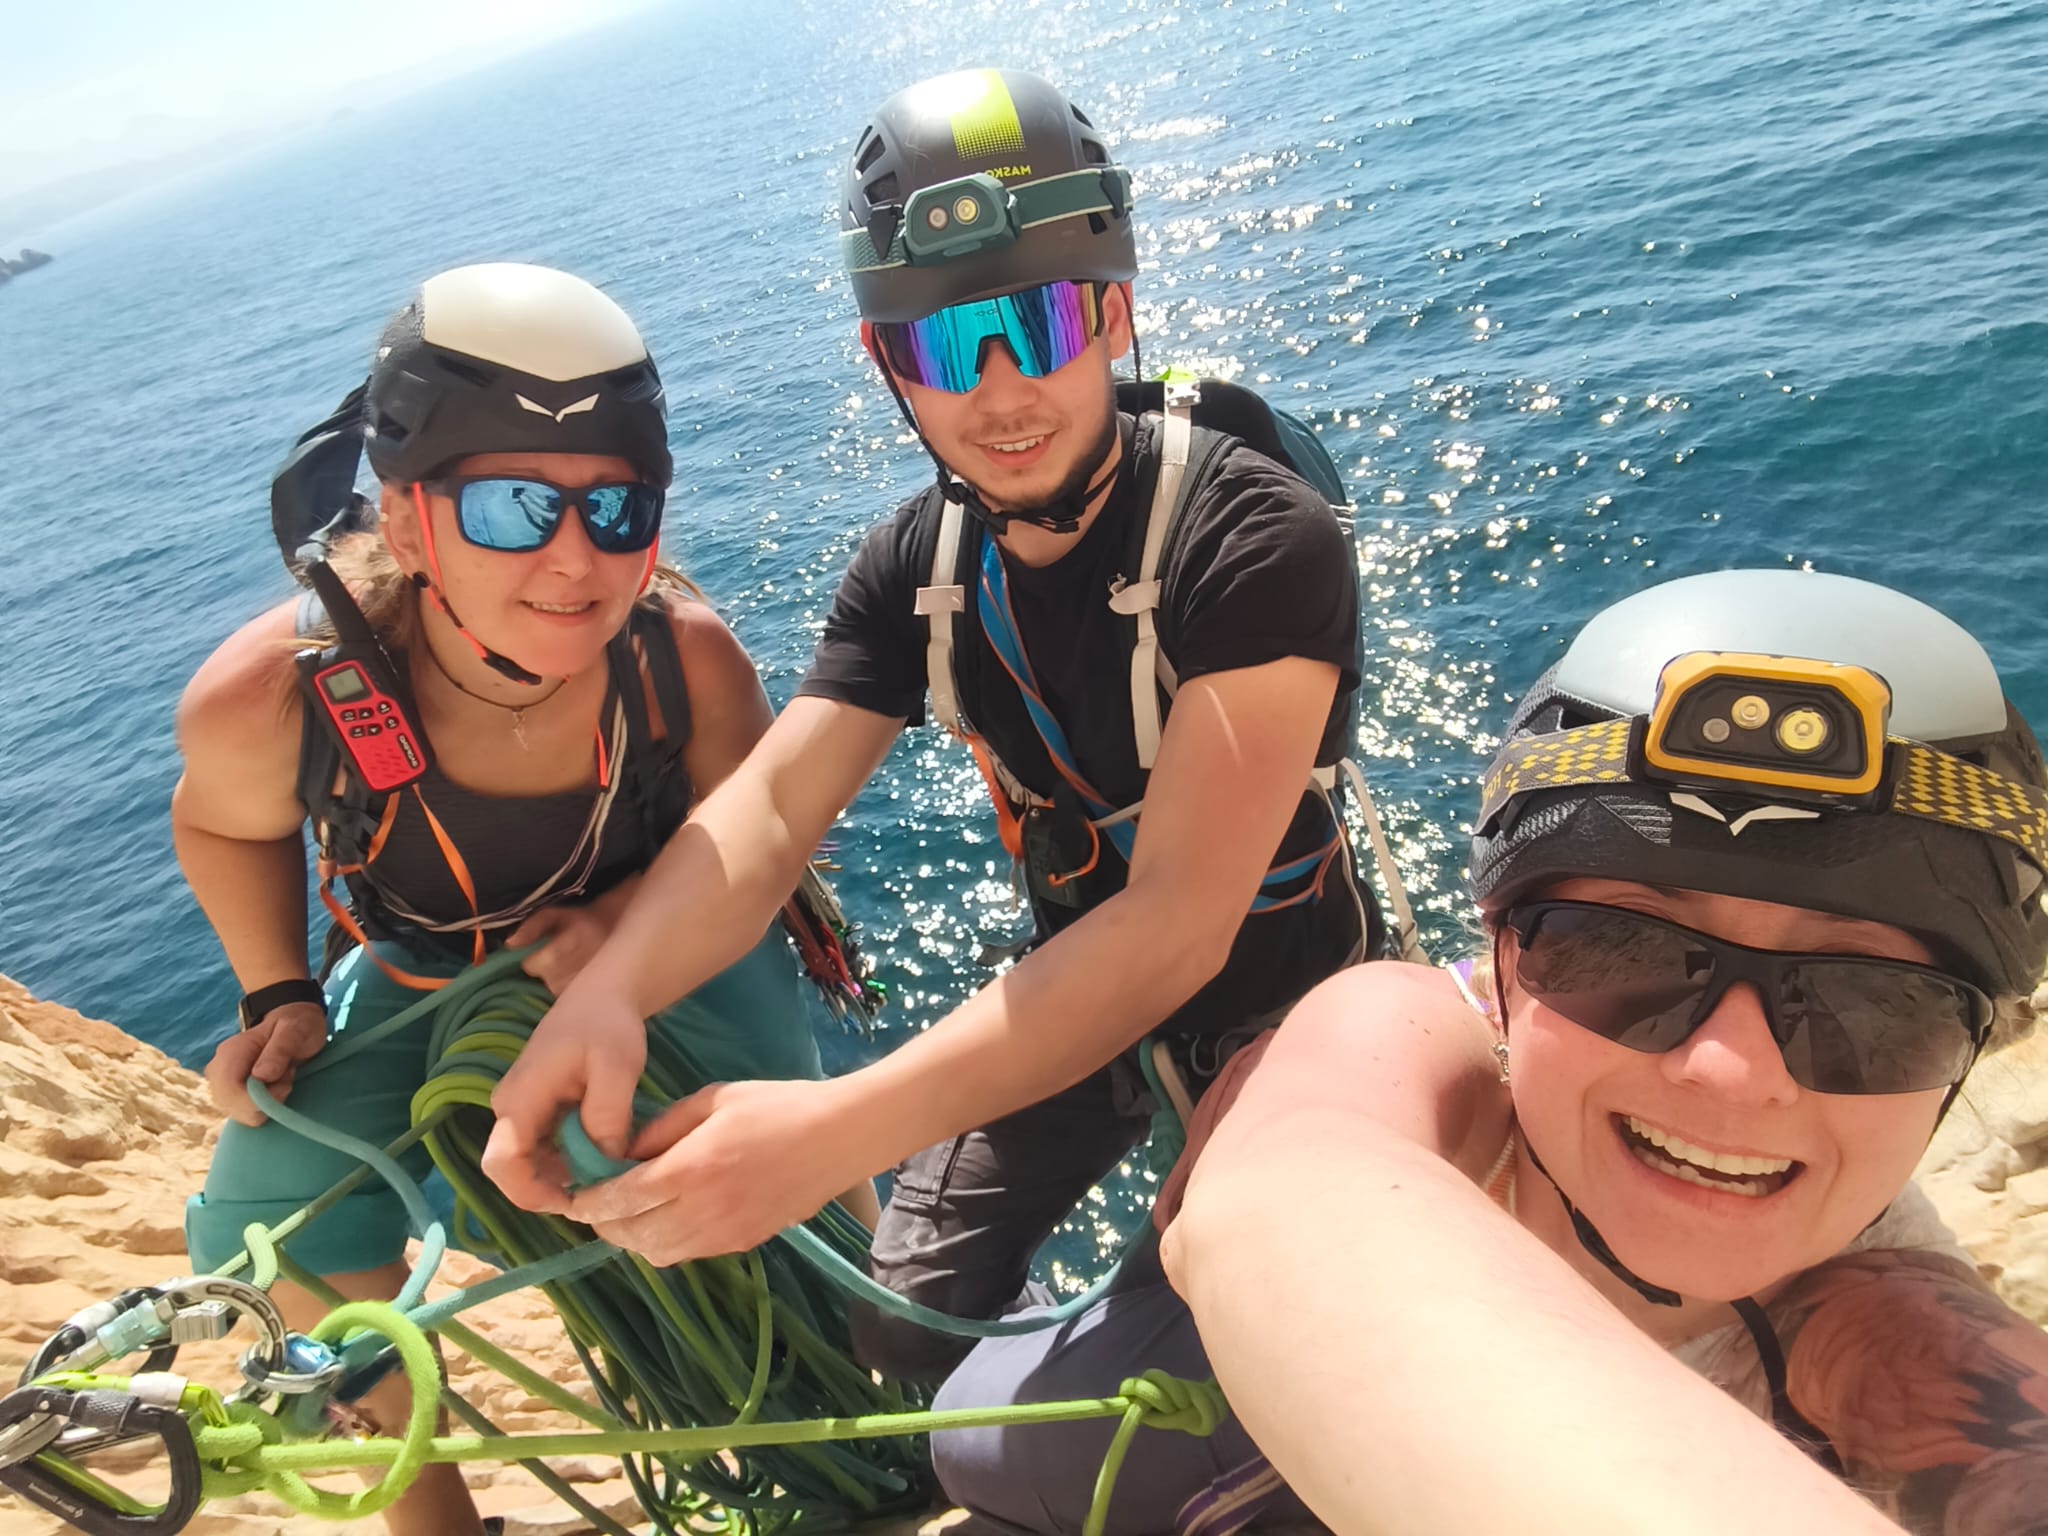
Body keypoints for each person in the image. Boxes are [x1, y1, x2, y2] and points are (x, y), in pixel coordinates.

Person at [484, 66, 1388, 1381]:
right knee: (902, 1320)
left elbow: (1177, 925)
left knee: (1255, 1334)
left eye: (1040, 321)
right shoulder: (920, 569)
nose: (1002, 392)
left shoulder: (1249, 535)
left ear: (1114, 313)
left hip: (1288, 994)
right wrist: (614, 993)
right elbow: (773, 806)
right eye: (949, 347)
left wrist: (831, 1133)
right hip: (1075, 983)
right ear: (886, 364)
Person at [933, 568, 2048, 1536]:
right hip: (1177, 1369)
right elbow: (1294, 1197)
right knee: (970, 1437)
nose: (1730, 1068)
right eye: (1619, 950)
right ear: (1503, 960)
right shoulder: (1408, 1029)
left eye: (1876, 1004)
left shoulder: (1885, 1326)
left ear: (1972, 1041)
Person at [176, 263, 871, 1536]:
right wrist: (277, 990)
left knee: (773, 1154)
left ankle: (871, 1377)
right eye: (511, 507)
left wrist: (622, 931)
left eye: (616, 509)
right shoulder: (281, 697)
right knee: (261, 1219)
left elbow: (759, 836)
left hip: (675, 949)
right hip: (421, 973)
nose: (572, 557)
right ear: (407, 520)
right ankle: (433, 1518)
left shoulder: (680, 662)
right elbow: (221, 821)